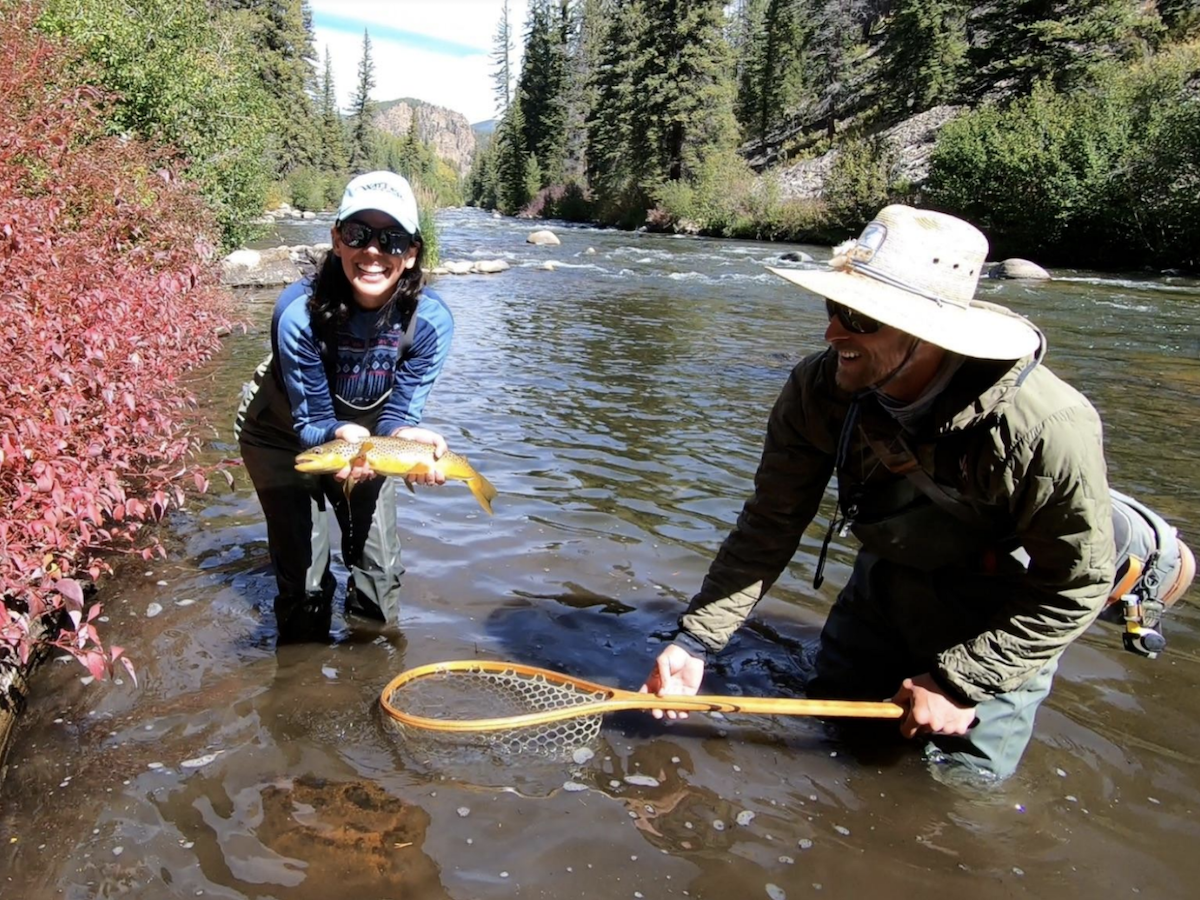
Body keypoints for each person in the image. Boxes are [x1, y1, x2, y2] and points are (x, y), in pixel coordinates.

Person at [641, 204, 1134, 781]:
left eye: (858, 316)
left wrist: (959, 681)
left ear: (928, 333)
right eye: (834, 308)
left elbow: (1076, 585)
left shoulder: (1044, 426)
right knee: (830, 743)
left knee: (954, 794)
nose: (832, 332)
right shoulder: (818, 387)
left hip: (1004, 610)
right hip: (883, 582)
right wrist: (696, 640)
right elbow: (770, 524)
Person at [236, 171, 454, 643]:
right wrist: (345, 438)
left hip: (368, 443)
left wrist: (403, 441)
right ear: (337, 239)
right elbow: (312, 421)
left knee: (379, 577)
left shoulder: (431, 322)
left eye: (392, 239)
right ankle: (300, 688)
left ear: (412, 252)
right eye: (359, 234)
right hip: (280, 436)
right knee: (306, 586)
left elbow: (399, 414)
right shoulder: (298, 311)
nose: (373, 251)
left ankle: (368, 679)